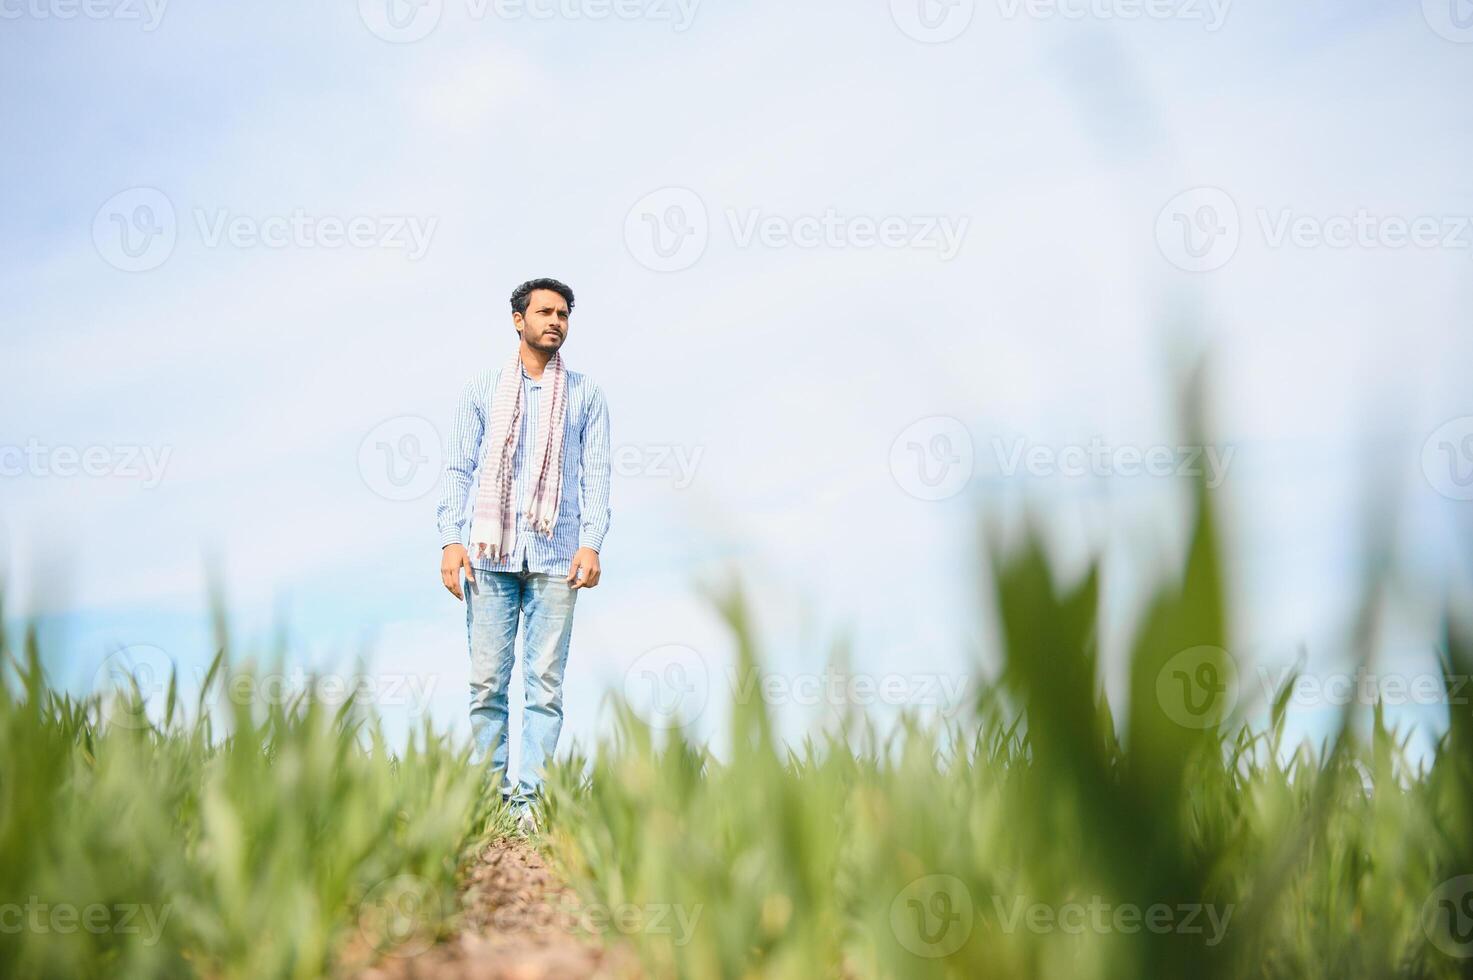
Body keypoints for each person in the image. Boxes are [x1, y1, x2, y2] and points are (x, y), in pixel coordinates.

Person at [435, 277, 612, 834]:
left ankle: (530, 802)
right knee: (487, 682)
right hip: (490, 554)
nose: (555, 322)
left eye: (563, 314)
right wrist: (449, 539)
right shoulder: (481, 390)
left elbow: (596, 475)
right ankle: (489, 800)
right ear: (518, 320)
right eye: (544, 313)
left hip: (558, 556)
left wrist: (592, 540)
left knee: (545, 684)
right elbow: (459, 468)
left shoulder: (586, 395)